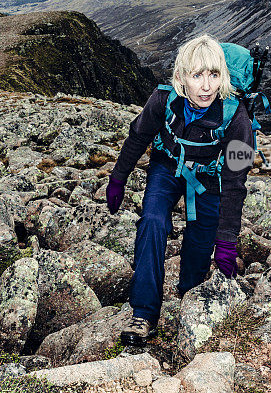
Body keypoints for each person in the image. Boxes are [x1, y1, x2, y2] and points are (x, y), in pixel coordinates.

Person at [107, 34, 255, 347]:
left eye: (214, 75)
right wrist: (118, 178)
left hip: (211, 181)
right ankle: (144, 312)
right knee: (152, 221)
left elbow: (235, 180)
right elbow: (137, 137)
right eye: (197, 75)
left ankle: (189, 298)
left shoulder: (238, 119)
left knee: (199, 250)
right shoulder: (162, 99)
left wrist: (226, 240)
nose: (206, 86)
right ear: (180, 77)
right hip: (167, 168)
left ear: (223, 77)